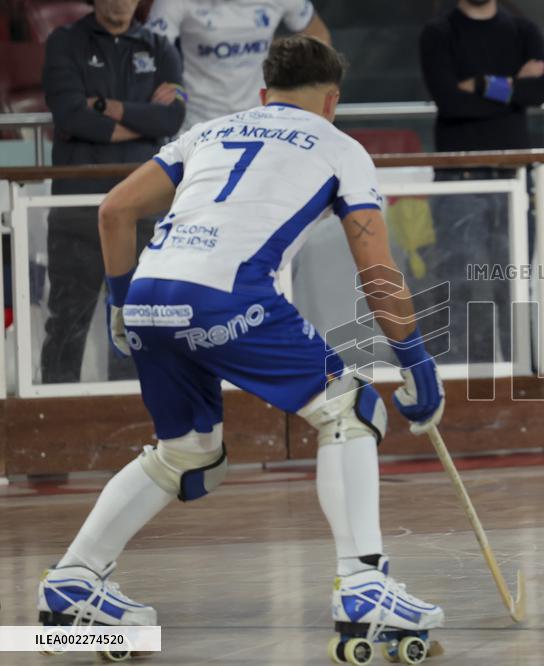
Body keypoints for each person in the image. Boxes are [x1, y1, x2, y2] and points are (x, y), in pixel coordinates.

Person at [37, 36, 445, 650]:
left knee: (188, 450)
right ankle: (364, 586)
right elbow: (375, 268)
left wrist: (123, 305)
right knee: (350, 408)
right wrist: (414, 357)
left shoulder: (210, 131)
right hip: (224, 293)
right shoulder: (341, 147)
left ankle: (72, 583)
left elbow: (114, 212)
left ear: (262, 95)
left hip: (150, 290)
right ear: (332, 100)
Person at [40, 0, 185, 383]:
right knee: (68, 317)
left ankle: (138, 408)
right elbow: (71, 116)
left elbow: (172, 117)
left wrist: (104, 107)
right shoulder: (65, 42)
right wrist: (143, 119)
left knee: (141, 317)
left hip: (144, 209)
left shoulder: (160, 47)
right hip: (77, 206)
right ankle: (55, 416)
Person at [418, 0, 544, 362]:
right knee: (459, 283)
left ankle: (522, 374)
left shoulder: (524, 30)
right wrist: (512, 89)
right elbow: (449, 103)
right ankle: (461, 380)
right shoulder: (439, 33)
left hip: (515, 174)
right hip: (460, 178)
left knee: (516, 284)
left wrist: (479, 84)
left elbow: (539, 92)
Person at [146, 0, 332, 130]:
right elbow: (151, 53)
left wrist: (294, 86)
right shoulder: (173, 3)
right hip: (196, 122)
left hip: (261, 120)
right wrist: (174, 88)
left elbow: (318, 35)